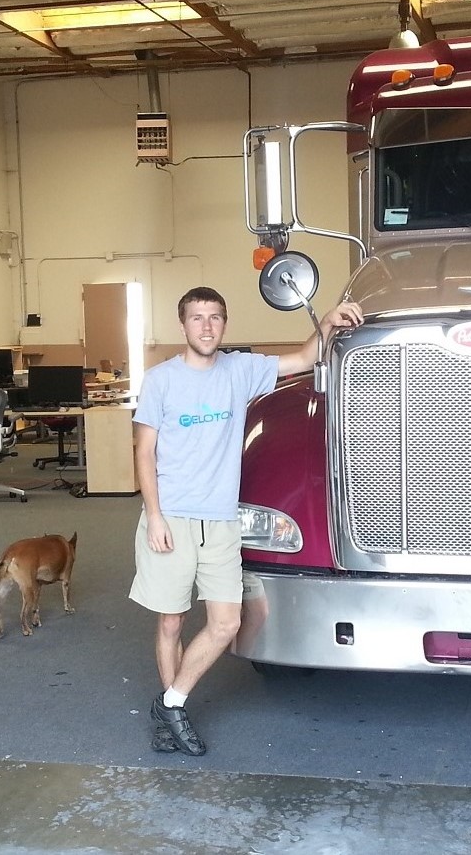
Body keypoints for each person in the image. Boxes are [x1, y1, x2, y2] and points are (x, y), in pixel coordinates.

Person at [130, 285, 363, 756]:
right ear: (183, 325)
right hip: (171, 518)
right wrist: (154, 516)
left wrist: (330, 321)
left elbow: (301, 358)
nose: (207, 326)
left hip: (219, 521)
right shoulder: (160, 380)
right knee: (172, 622)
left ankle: (170, 704)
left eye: (215, 317)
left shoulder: (240, 371)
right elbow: (144, 451)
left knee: (226, 623)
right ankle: (174, 716)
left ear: (224, 323)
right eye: (197, 318)